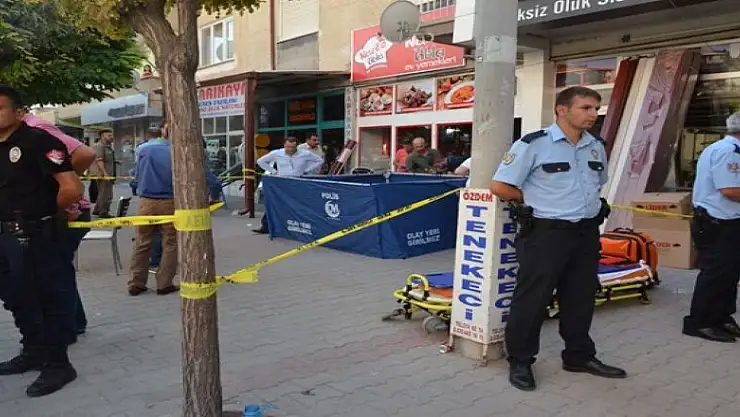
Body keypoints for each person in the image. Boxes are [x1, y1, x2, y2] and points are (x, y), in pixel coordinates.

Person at [490, 86, 625, 391]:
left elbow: (597, 183)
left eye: (596, 108)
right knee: (532, 300)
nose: (593, 114)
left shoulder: (595, 146)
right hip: (546, 235)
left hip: (585, 234)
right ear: (562, 110)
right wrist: (535, 200)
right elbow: (500, 186)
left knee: (580, 298)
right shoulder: (533, 144)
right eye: (585, 108)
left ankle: (578, 356)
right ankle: (521, 361)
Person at [0, 85, 85, 396]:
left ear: (19, 112)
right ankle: (33, 350)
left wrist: (47, 213)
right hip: (4, 237)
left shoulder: (39, 141)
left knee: (47, 300)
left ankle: (58, 364)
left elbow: (72, 188)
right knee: (15, 297)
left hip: (36, 235)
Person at [23, 110, 95, 337]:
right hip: (44, 216)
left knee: (55, 272)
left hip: (65, 214)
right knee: (55, 270)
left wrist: (62, 185)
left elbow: (85, 154)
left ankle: (67, 327)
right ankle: (72, 322)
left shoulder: (36, 130)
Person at [683, 111, 740, 343]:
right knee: (716, 273)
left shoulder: (728, 149)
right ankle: (700, 322)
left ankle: (722, 317)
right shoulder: (729, 152)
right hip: (718, 222)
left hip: (727, 220)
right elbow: (730, 190)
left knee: (730, 272)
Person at [127, 127, 179, 296]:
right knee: (170, 242)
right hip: (169, 201)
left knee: (142, 241)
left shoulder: (144, 150)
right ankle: (164, 283)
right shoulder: (174, 151)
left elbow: (136, 176)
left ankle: (136, 282)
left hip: (146, 201)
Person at [251, 137, 324, 234]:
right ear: (284, 145)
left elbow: (319, 161)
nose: (290, 149)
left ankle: (299, 227)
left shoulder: (304, 154)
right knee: (275, 203)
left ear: (297, 146)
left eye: (293, 147)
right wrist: (273, 171)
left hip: (297, 182)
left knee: (298, 205)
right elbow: (260, 161)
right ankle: (266, 226)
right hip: (282, 182)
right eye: (288, 147)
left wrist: (307, 170)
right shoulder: (277, 153)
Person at [90, 129, 116, 218]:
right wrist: (105, 173)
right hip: (103, 174)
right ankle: (104, 212)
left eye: (111, 135)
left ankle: (97, 210)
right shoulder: (99, 146)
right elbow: (99, 160)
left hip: (108, 173)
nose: (111, 137)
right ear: (102, 136)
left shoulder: (107, 147)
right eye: (109, 135)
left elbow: (106, 159)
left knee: (102, 192)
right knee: (106, 194)